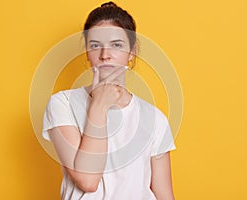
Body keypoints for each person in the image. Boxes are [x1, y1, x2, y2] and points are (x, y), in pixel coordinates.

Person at [42, 2, 176, 199]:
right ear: (87, 53)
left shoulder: (155, 119)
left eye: (117, 45)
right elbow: (87, 180)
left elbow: (164, 194)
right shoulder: (62, 104)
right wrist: (99, 106)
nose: (105, 55)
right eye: (95, 45)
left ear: (131, 52)